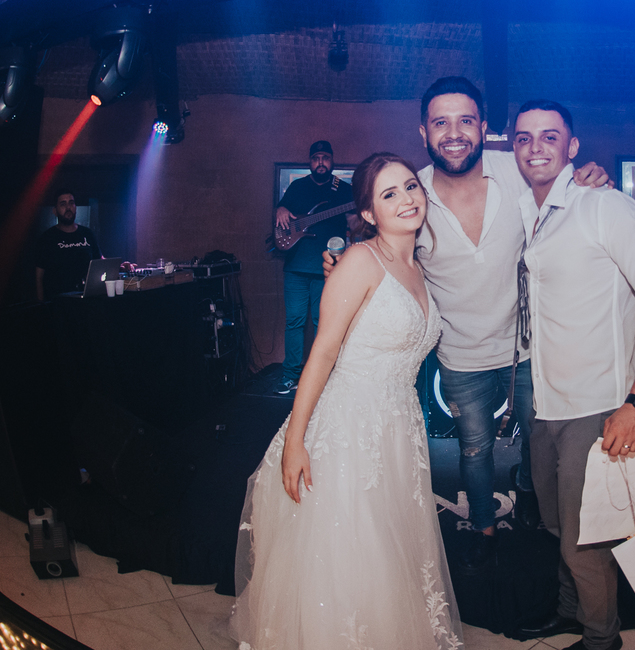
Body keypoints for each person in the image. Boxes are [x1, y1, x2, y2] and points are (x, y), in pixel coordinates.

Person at [325, 77, 610, 573]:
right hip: (459, 357)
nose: (453, 133)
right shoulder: (412, 193)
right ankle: (483, 528)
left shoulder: (518, 171)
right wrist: (344, 263)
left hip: (528, 351)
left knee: (539, 443)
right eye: (441, 122)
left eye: (465, 121)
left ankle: (530, 499)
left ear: (484, 127)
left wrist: (590, 175)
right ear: (424, 132)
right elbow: (382, 248)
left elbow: (568, 185)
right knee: (474, 451)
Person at [230, 152, 462, 650]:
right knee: (352, 552)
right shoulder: (359, 260)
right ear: (369, 212)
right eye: (389, 194)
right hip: (351, 427)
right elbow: (323, 352)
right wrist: (295, 441)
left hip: (399, 428)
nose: (406, 199)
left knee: (391, 552)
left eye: (410, 186)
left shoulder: (419, 268)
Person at [511, 101, 635, 650]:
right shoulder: (528, 209)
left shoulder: (605, 206)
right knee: (558, 527)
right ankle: (571, 613)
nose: (536, 147)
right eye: (524, 138)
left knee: (584, 542)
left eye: (550, 136)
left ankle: (601, 640)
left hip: (598, 405)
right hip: (545, 404)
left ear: (573, 146)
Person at [275, 140, 354, 394]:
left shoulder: (344, 189)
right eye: (316, 158)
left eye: (325, 157)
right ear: (310, 161)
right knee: (294, 322)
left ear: (332, 160)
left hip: (328, 268)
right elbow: (282, 208)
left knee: (324, 323)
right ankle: (290, 376)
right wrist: (281, 209)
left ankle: (322, 378)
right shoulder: (297, 186)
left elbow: (355, 222)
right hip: (295, 267)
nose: (321, 162)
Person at [35, 189, 102, 300]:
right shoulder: (47, 238)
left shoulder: (87, 233)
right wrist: (41, 305)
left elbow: (99, 260)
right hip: (57, 302)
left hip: (86, 300)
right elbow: (38, 276)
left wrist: (119, 267)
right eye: (63, 204)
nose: (68, 207)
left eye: (71, 203)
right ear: (55, 211)